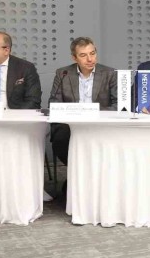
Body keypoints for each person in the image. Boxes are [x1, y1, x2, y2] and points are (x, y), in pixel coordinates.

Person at [49, 36, 117, 167]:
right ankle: (76, 170)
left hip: (100, 122)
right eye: (83, 55)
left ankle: (95, 171)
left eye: (92, 53)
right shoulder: (63, 73)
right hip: (70, 123)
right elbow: (54, 103)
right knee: (60, 137)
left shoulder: (110, 73)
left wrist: (90, 112)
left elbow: (118, 105)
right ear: (74, 58)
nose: (90, 59)